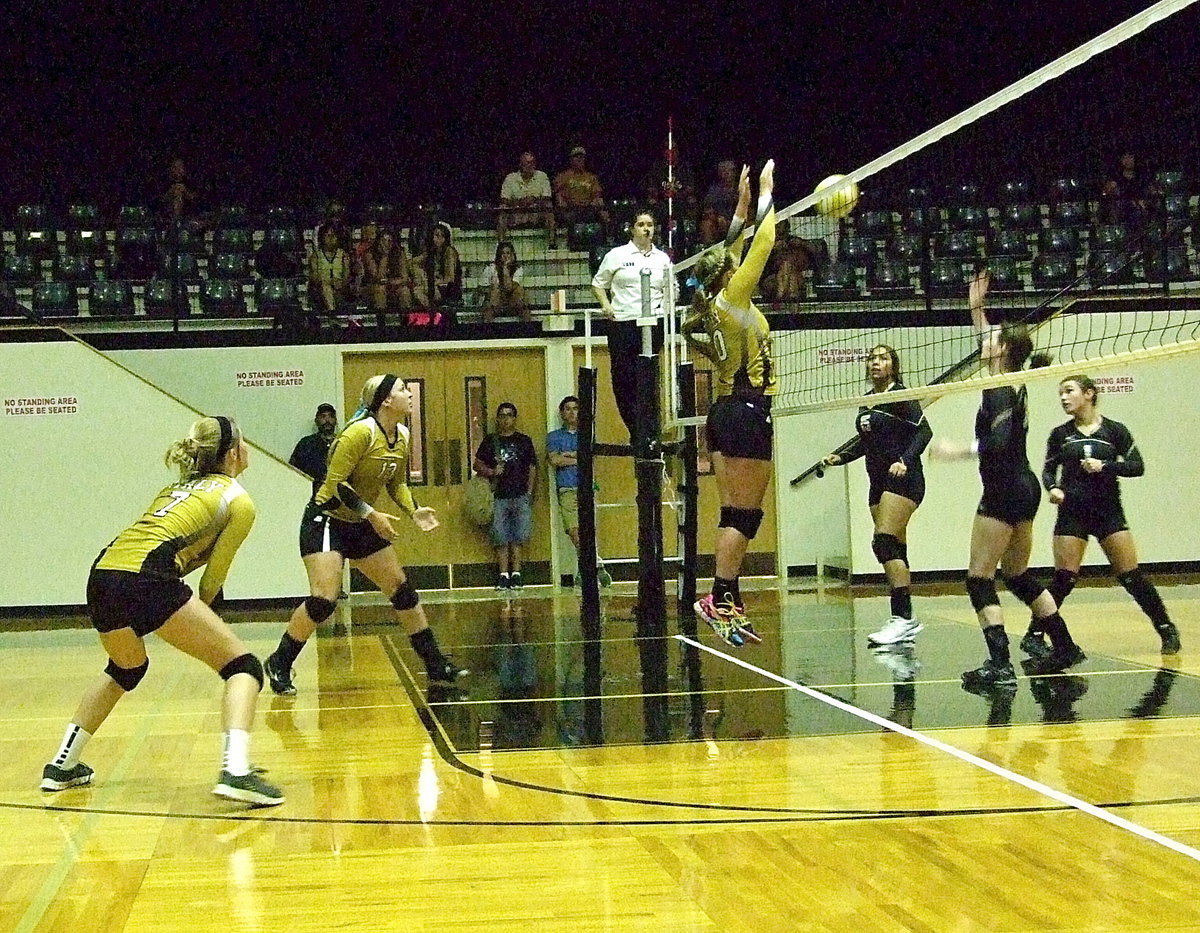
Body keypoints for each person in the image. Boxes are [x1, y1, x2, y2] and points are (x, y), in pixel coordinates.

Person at [41, 416, 283, 807]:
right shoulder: (238, 499)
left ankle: (61, 765)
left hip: (103, 573)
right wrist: (205, 626)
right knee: (244, 667)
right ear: (235, 453)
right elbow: (211, 581)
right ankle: (236, 770)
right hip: (147, 578)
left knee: (126, 668)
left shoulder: (176, 487)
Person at [264, 375, 466, 695]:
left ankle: (434, 663)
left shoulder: (401, 434)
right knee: (323, 601)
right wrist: (371, 514)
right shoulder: (359, 432)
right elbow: (335, 486)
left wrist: (413, 509)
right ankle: (279, 661)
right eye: (402, 389)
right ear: (385, 400)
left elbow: (395, 482)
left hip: (360, 522)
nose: (408, 394)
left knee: (401, 591)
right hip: (326, 519)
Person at [931, 270, 1084, 692]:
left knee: (979, 579)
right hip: (1026, 489)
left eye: (990, 339)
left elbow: (996, 443)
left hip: (1002, 491)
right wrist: (976, 308)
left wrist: (956, 451)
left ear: (1003, 351)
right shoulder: (1012, 380)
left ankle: (1000, 666)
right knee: (1016, 576)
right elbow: (995, 338)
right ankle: (1065, 645)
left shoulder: (998, 390)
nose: (983, 343)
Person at [681, 160, 777, 648]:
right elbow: (762, 244)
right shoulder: (733, 298)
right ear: (729, 276)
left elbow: (733, 247)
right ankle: (717, 595)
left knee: (734, 513)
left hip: (726, 412)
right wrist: (766, 195)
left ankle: (730, 599)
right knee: (745, 516)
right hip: (745, 410)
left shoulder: (716, 303)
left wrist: (740, 206)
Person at [1024, 373, 1181, 655]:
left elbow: (1137, 466)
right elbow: (1048, 469)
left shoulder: (1115, 431)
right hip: (1072, 512)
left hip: (1108, 511)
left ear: (1089, 394)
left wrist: (1105, 466)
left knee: (1131, 576)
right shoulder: (1060, 434)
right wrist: (1053, 487)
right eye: (1061, 393)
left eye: (1069, 391)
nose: (1063, 398)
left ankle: (1167, 629)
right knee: (1064, 578)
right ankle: (1034, 634)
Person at [822, 345, 931, 647]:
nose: (875, 362)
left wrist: (905, 460)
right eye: (872, 358)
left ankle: (902, 619)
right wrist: (840, 457)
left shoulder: (901, 395)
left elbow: (924, 433)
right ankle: (904, 619)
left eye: (882, 358)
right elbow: (866, 442)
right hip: (877, 482)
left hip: (904, 479)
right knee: (895, 546)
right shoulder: (867, 401)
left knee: (883, 541)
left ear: (894, 366)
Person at [590, 208, 674, 443]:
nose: (646, 228)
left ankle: (649, 431)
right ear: (632, 228)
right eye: (641, 224)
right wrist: (606, 305)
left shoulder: (663, 259)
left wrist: (666, 312)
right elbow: (598, 284)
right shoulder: (616, 255)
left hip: (652, 323)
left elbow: (670, 289)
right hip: (623, 322)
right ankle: (635, 429)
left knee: (647, 377)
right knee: (623, 377)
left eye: (650, 224)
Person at [546, 395, 612, 587]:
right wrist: (578, 458)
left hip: (587, 488)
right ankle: (597, 565)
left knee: (588, 530)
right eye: (568, 408)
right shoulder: (554, 436)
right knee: (574, 531)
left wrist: (569, 456)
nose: (572, 412)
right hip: (567, 489)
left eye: (575, 408)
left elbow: (591, 459)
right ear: (562, 413)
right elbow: (554, 460)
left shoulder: (587, 435)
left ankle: (585, 571)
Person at [473, 402, 538, 590]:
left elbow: (532, 467)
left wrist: (530, 491)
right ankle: (503, 575)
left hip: (520, 494)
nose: (505, 419)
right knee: (500, 536)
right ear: (497, 418)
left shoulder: (524, 441)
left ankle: (516, 574)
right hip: (498, 495)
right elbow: (477, 464)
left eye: (509, 415)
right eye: (502, 415)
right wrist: (492, 472)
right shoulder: (490, 441)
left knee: (519, 535)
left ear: (515, 418)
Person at [497, 151, 556, 246]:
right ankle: (501, 244)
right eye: (527, 162)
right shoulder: (510, 178)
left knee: (549, 207)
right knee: (502, 208)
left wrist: (534, 200)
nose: (530, 165)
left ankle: (552, 242)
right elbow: (504, 199)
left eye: (532, 163)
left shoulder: (542, 176)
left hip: (536, 213)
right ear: (521, 164)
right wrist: (520, 202)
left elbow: (547, 197)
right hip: (516, 213)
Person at [554, 145, 611, 238]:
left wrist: (593, 204)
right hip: (571, 208)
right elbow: (559, 195)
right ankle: (573, 241)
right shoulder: (563, 176)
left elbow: (597, 195)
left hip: (588, 208)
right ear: (571, 159)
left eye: (582, 157)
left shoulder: (591, 177)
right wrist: (565, 206)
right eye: (576, 156)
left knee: (604, 213)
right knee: (568, 215)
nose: (579, 159)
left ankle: (607, 239)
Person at [289, 402, 338, 496]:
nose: (327, 420)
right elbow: (293, 471)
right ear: (316, 421)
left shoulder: (342, 443)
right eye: (323, 417)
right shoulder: (306, 444)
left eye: (331, 416)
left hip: (338, 496)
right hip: (310, 495)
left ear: (335, 420)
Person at [412, 221, 462, 308]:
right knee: (417, 288)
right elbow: (412, 263)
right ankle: (432, 310)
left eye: (441, 236)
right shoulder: (431, 252)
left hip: (447, 289)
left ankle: (432, 311)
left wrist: (431, 282)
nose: (437, 239)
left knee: (418, 291)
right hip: (433, 286)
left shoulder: (449, 251)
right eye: (435, 235)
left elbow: (450, 278)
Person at [479, 240, 531, 323]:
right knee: (494, 293)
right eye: (503, 253)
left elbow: (509, 287)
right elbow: (481, 288)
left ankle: (528, 329)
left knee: (520, 291)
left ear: (512, 255)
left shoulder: (518, 269)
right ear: (499, 255)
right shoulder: (490, 268)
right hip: (496, 302)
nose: (506, 256)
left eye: (508, 253)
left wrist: (505, 268)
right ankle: (487, 330)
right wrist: (493, 289)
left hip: (513, 302)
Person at [308, 225, 352, 317]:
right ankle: (332, 313)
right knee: (326, 287)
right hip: (321, 289)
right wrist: (327, 281)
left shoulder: (344, 255)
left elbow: (347, 274)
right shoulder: (316, 256)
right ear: (323, 238)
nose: (331, 239)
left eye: (333, 236)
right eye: (328, 235)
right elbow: (314, 277)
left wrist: (341, 282)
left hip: (340, 288)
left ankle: (333, 312)